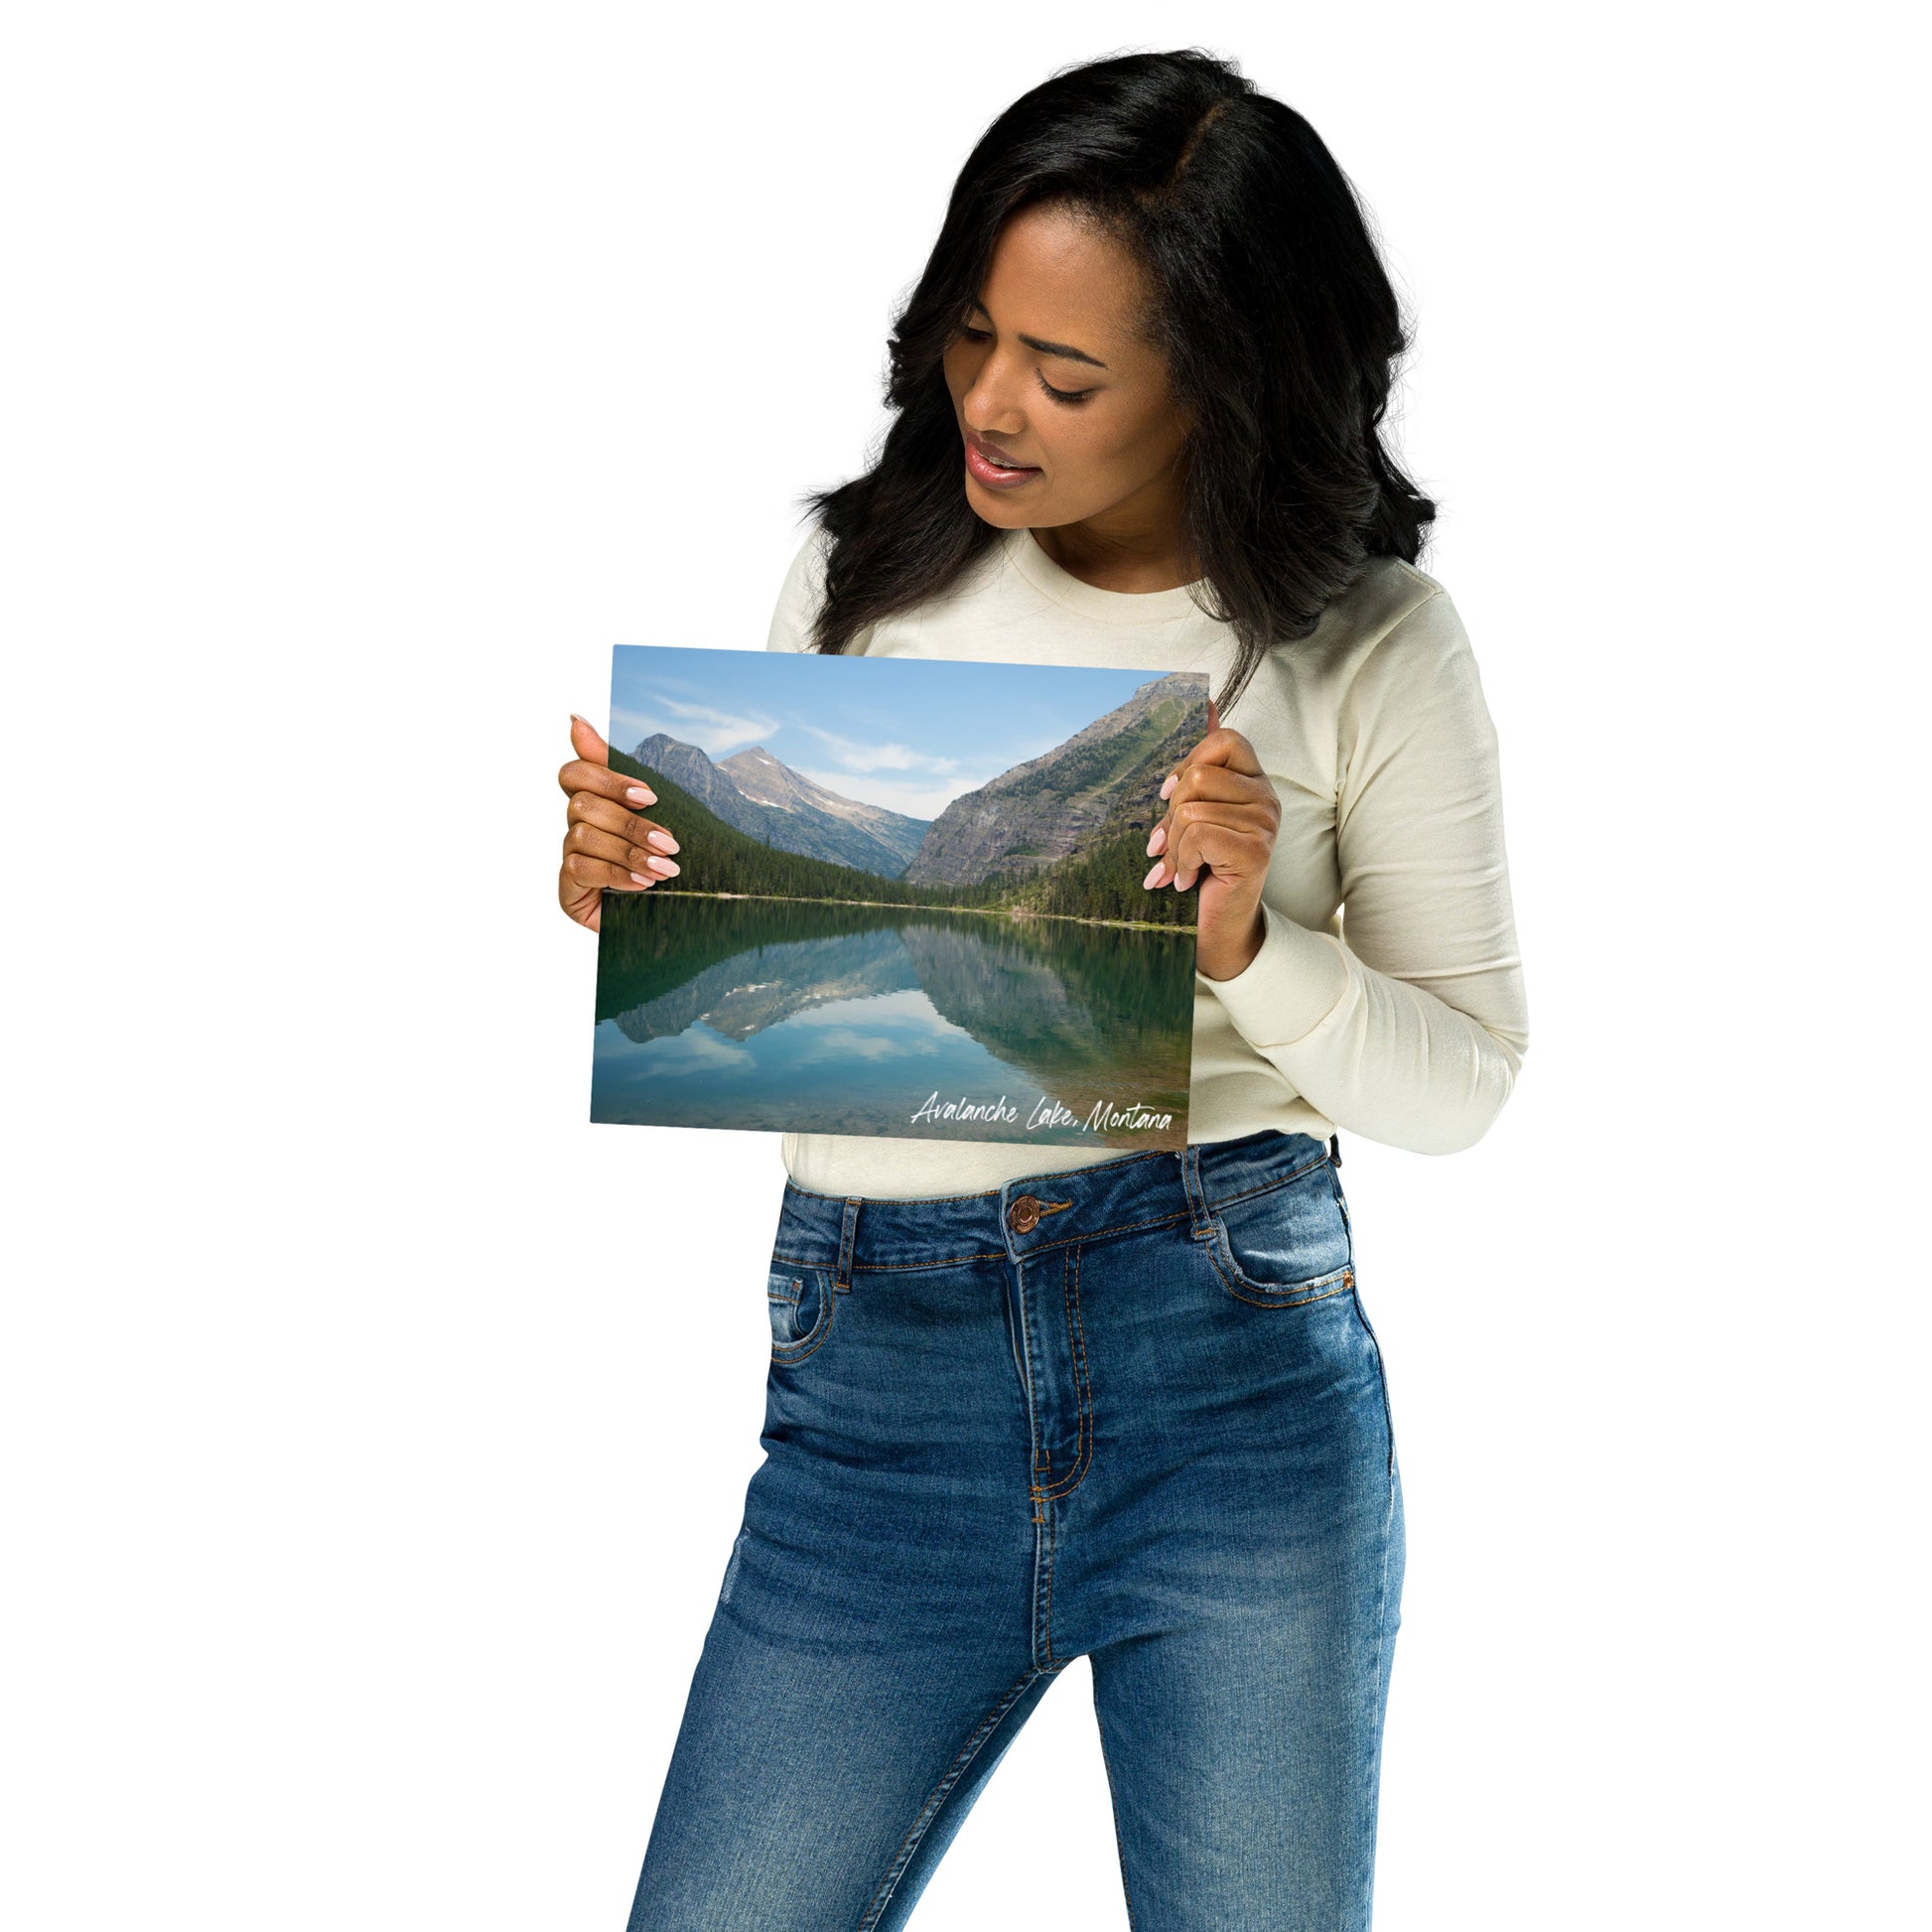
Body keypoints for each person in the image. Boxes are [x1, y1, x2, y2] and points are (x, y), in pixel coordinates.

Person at [558, 48, 1528, 1932]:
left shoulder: (1372, 643)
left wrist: (1250, 942)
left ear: (1222, 384)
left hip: (1228, 1378)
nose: (992, 405)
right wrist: (632, 900)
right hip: (871, 1406)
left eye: (1066, 374)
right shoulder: (861, 578)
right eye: (969, 337)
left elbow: (1466, 1083)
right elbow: (822, 1048)